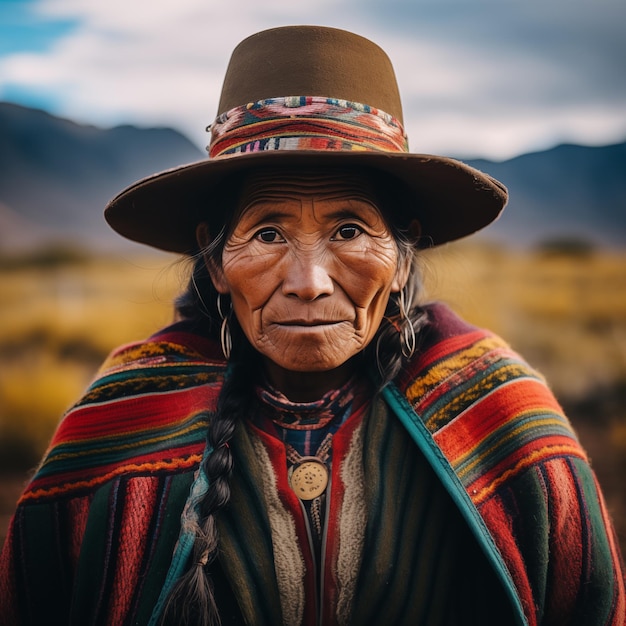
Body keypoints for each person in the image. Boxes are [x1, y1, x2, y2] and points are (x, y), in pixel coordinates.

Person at [0, 25, 624, 626]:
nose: (310, 281)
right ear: (215, 262)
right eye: (267, 233)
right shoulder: (123, 418)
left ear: (402, 255)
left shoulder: (499, 413)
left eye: (349, 230)